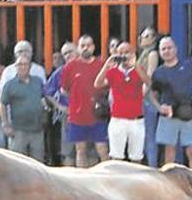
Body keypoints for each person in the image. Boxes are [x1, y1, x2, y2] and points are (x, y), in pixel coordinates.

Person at [150, 37, 192, 175]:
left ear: (175, 49)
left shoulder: (188, 66)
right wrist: (159, 107)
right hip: (168, 117)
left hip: (188, 115)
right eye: (163, 49)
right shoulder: (158, 72)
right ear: (160, 52)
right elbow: (152, 95)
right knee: (169, 152)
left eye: (169, 48)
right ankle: (170, 186)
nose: (166, 51)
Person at [94, 42, 150, 163]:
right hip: (118, 120)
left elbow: (148, 82)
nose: (124, 56)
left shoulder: (139, 70)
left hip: (136, 120)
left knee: (136, 157)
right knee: (116, 158)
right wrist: (106, 66)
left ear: (133, 54)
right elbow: (98, 84)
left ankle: (135, 181)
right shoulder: (113, 71)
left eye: (126, 52)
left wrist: (135, 65)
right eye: (120, 53)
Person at [61, 35, 108, 168]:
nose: (86, 48)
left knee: (103, 150)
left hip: (98, 115)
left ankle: (108, 178)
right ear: (78, 48)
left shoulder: (101, 64)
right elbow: (64, 90)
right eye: (82, 45)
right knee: (80, 151)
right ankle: (81, 182)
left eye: (88, 45)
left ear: (93, 47)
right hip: (77, 116)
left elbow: (108, 87)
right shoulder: (70, 67)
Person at [0, 55, 46, 161]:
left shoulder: (38, 81)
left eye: (25, 64)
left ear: (30, 67)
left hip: (37, 130)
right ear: (15, 67)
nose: (23, 67)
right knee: (17, 163)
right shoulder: (9, 85)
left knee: (38, 163)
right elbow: (2, 104)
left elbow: (44, 98)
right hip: (18, 131)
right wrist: (5, 124)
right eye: (19, 64)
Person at [44, 42, 78, 166]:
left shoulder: (88, 67)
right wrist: (60, 106)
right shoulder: (60, 72)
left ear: (77, 51)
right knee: (69, 152)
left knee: (88, 152)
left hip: (89, 116)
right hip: (69, 117)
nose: (68, 55)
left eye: (70, 51)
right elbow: (47, 92)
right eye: (65, 53)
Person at [138, 27, 161, 167]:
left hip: (146, 98)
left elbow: (149, 76)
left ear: (153, 39)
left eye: (146, 36)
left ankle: (152, 167)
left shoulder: (152, 54)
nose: (142, 38)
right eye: (142, 35)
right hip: (142, 97)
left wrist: (140, 95)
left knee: (149, 136)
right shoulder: (143, 54)